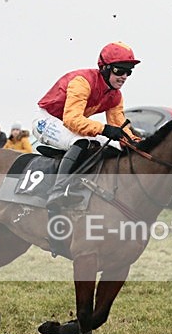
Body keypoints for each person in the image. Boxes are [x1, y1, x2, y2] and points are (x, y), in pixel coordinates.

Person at [32, 41, 140, 216]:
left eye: (128, 72)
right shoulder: (82, 82)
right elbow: (72, 119)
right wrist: (104, 129)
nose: (124, 76)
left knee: (116, 146)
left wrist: (136, 142)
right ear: (104, 68)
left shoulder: (115, 95)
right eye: (119, 70)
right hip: (46, 120)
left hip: (70, 124)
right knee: (82, 141)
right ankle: (58, 191)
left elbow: (119, 124)